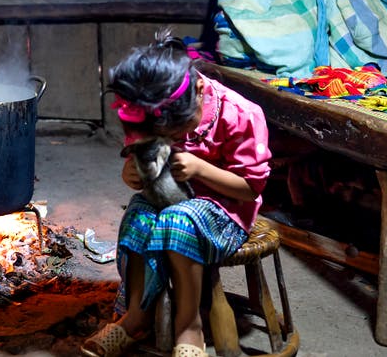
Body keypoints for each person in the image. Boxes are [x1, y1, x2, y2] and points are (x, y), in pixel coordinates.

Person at [81, 30, 272, 357]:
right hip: (169, 198)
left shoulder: (241, 115)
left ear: (198, 90)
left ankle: (189, 324)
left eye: (177, 132)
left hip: (227, 210)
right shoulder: (151, 113)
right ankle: (137, 313)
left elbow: (251, 187)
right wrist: (132, 174)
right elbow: (141, 161)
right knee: (138, 214)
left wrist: (201, 170)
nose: (168, 139)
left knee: (177, 219)